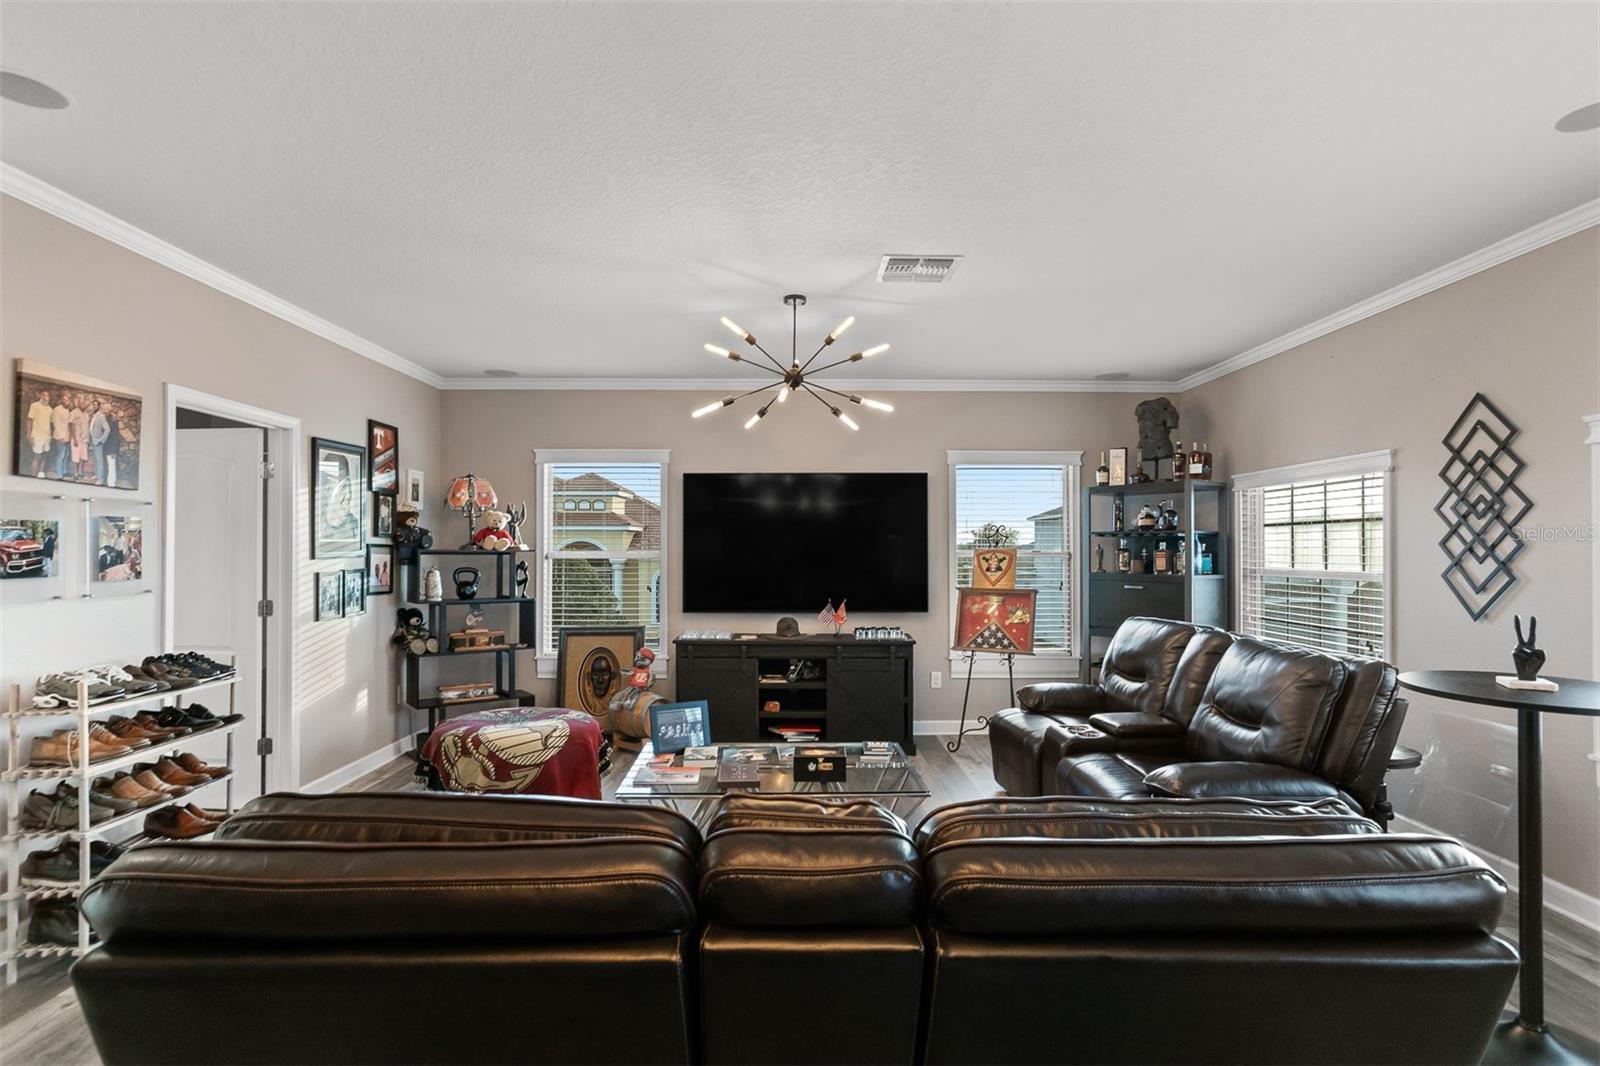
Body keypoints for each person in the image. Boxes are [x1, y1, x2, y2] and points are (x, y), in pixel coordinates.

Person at [26, 388, 52, 477]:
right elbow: (29, 420)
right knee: (37, 456)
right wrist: (28, 435)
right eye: (44, 395)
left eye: (47, 395)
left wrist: (50, 436)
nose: (46, 397)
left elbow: (50, 423)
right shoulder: (35, 405)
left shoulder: (50, 409)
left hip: (47, 437)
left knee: (44, 456)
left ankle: (40, 474)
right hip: (37, 436)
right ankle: (33, 476)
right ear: (40, 396)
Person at [69, 395, 90, 481]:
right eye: (81, 403)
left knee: (83, 457)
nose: (83, 405)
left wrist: (88, 440)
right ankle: (75, 474)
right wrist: (74, 438)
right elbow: (70, 425)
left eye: (84, 403)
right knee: (75, 457)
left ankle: (81, 473)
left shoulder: (86, 414)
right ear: (78, 404)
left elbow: (87, 427)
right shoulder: (74, 412)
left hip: (84, 439)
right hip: (76, 439)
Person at [51, 390, 71, 480]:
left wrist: (68, 437)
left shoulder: (67, 410)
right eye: (64, 400)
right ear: (61, 400)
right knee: (61, 455)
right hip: (60, 437)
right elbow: (56, 424)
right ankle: (59, 475)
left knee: (66, 455)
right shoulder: (57, 409)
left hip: (67, 436)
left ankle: (64, 471)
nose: (66, 402)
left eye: (68, 400)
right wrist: (60, 437)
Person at [89, 400, 109, 485]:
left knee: (99, 460)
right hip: (92, 440)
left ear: (99, 406)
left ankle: (100, 479)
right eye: (93, 405)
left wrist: (101, 440)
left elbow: (107, 429)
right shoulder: (93, 415)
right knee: (96, 460)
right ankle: (97, 474)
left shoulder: (101, 416)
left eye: (96, 405)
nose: (94, 406)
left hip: (98, 442)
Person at [102, 403, 121, 487]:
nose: (104, 411)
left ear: (110, 410)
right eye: (103, 409)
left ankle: (111, 484)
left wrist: (114, 450)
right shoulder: (105, 419)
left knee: (111, 465)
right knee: (109, 465)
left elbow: (115, 436)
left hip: (111, 446)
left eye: (106, 409)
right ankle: (112, 480)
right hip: (106, 446)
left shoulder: (113, 420)